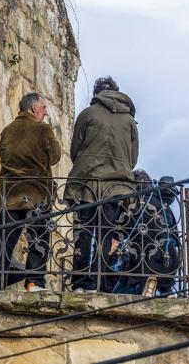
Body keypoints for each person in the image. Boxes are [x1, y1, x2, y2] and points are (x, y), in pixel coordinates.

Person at [63, 76, 139, 292]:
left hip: (87, 183)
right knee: (106, 234)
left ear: (96, 93)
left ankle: (78, 282)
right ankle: (97, 283)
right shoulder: (130, 121)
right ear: (117, 91)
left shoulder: (87, 114)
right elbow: (133, 159)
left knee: (84, 232)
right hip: (116, 186)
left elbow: (75, 150)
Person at [0, 92, 62, 292]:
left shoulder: (7, 131)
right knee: (38, 238)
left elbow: (3, 155)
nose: (45, 113)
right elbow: (55, 157)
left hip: (11, 193)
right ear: (34, 108)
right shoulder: (43, 129)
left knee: (4, 241)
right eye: (43, 108)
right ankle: (34, 282)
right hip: (37, 193)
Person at [111, 170, 181, 296]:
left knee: (117, 290)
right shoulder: (163, 205)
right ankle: (167, 292)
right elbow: (174, 236)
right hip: (169, 264)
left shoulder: (132, 206)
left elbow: (118, 235)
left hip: (141, 266)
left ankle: (146, 286)